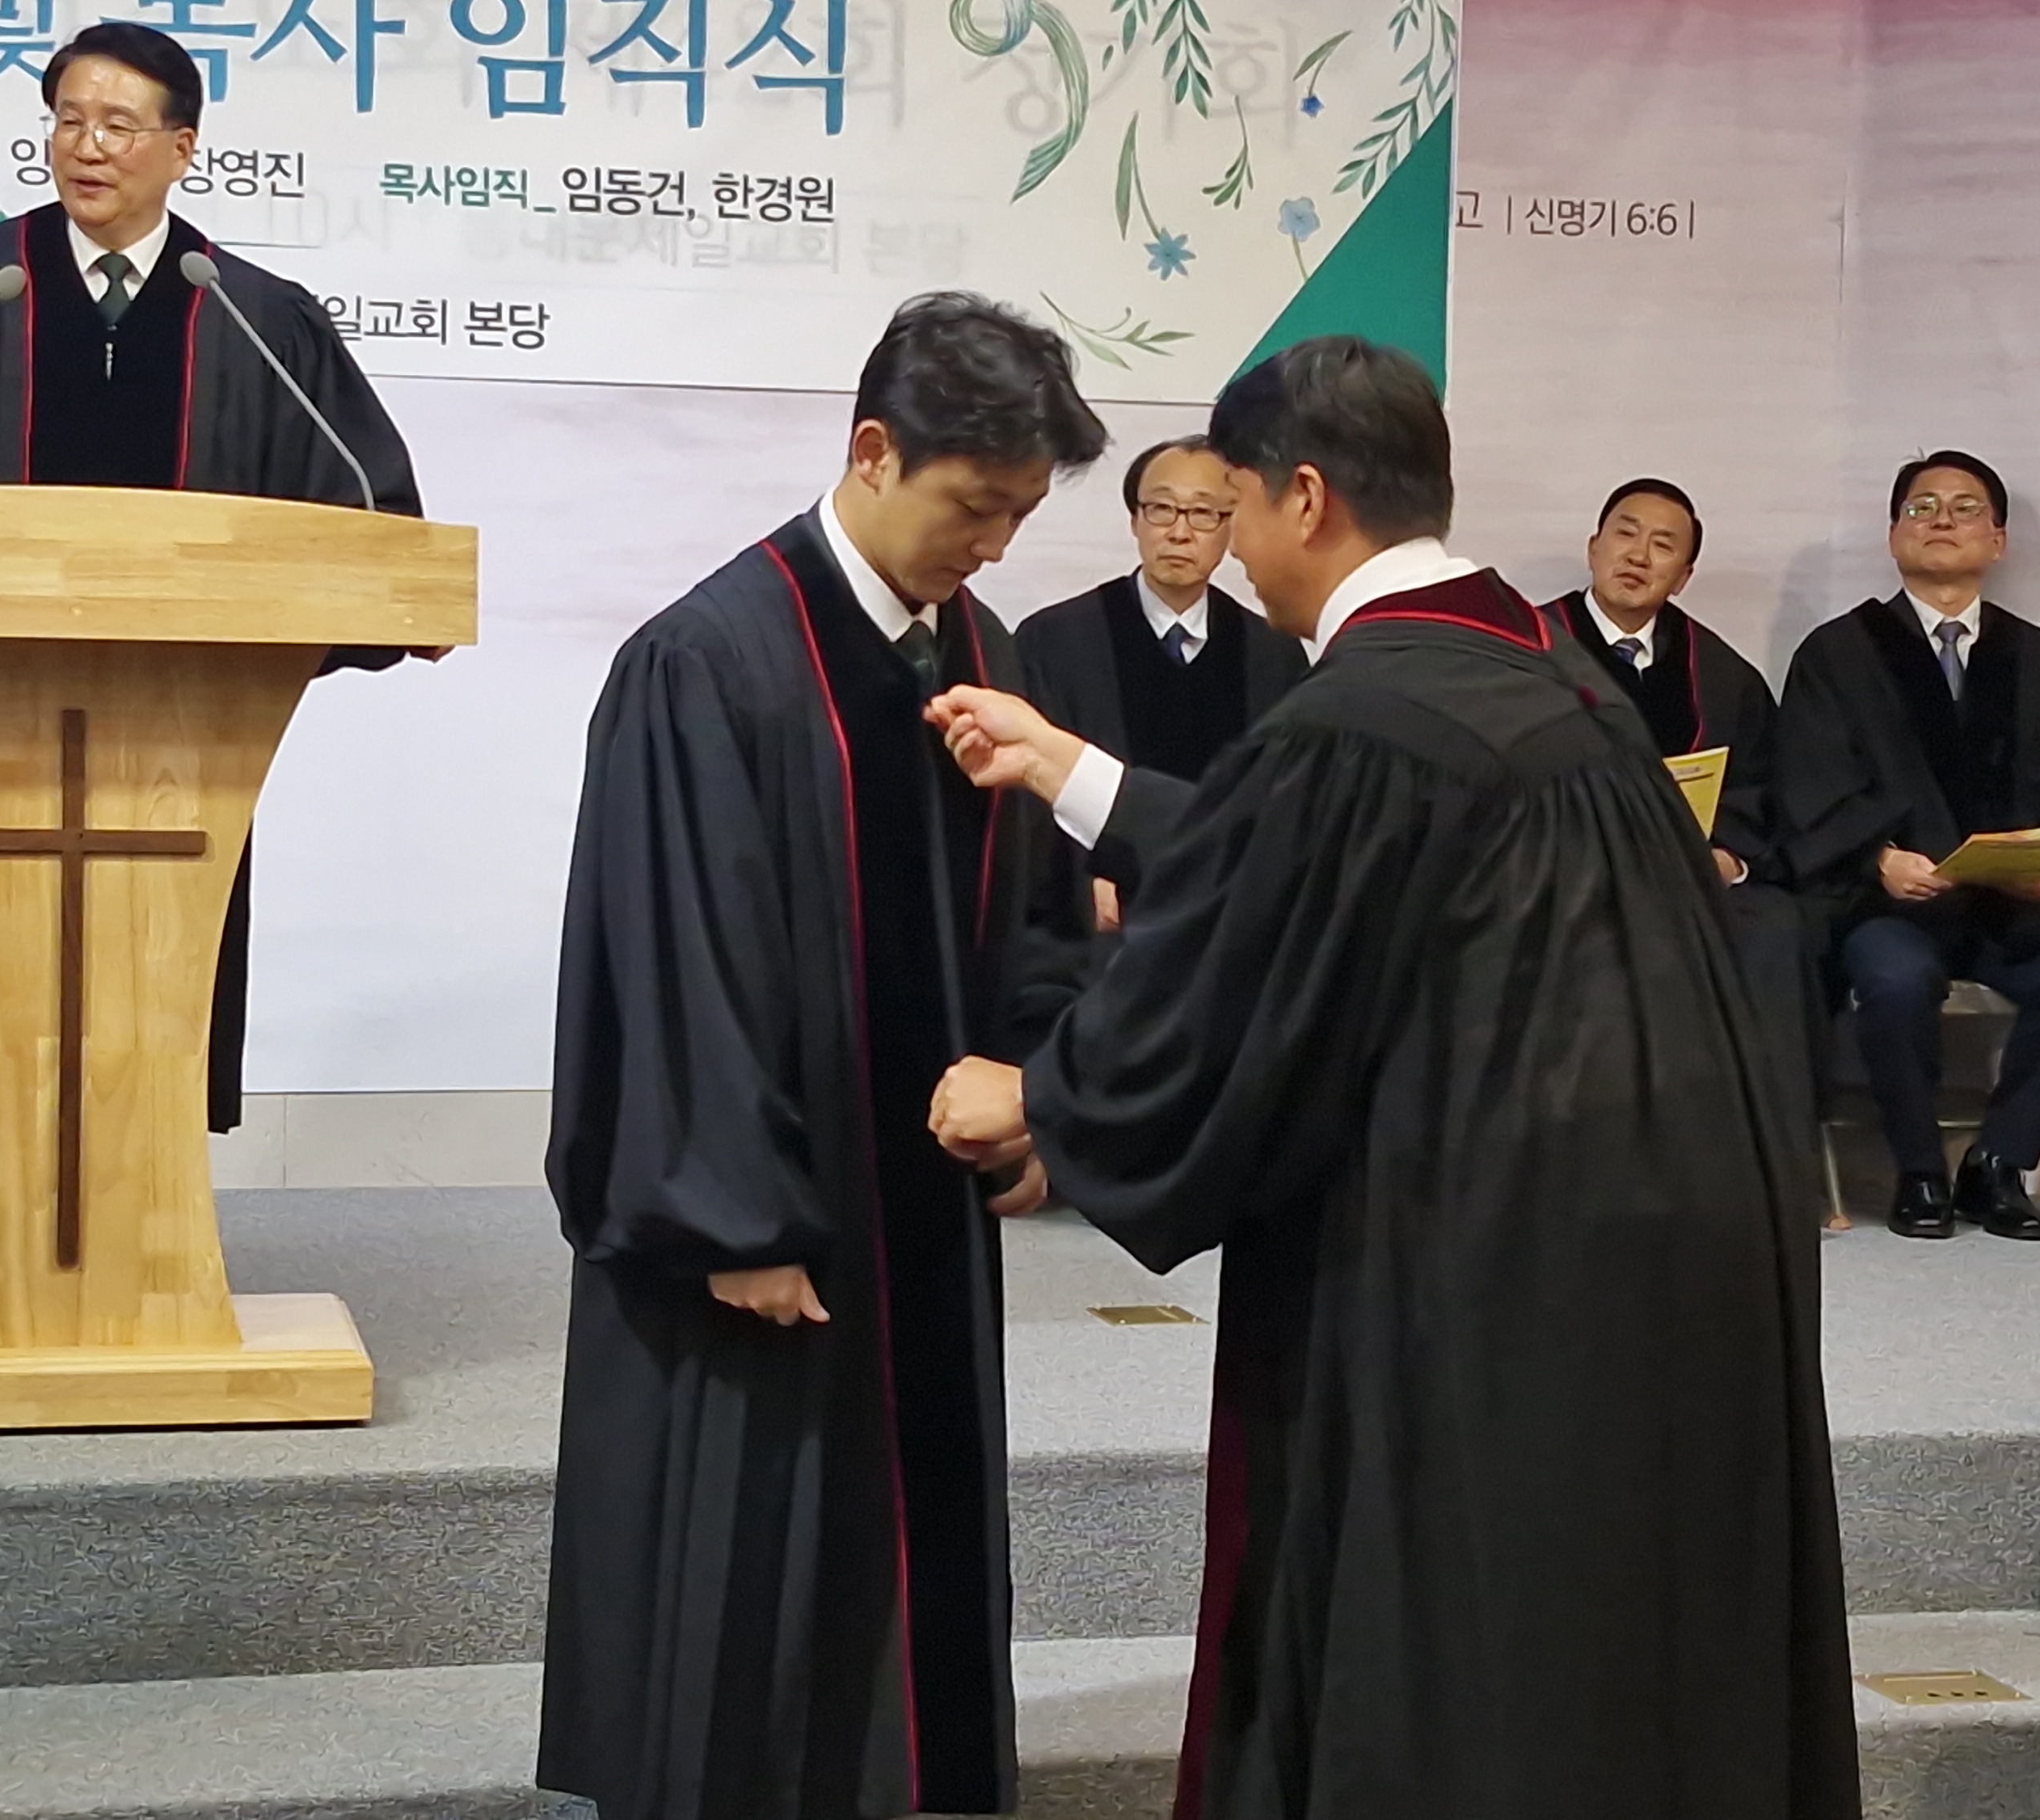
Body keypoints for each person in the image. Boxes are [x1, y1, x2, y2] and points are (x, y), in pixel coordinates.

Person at [921, 339, 1857, 1820]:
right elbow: (1305, 865)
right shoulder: (1543, 678)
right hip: (1668, 1240)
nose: (1234, 546)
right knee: (1630, 1634)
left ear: (1303, 497)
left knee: (1467, 1645)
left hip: (1492, 1262)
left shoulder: (1367, 713)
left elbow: (1262, 941)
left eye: (1236, 504)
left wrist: (1048, 1096)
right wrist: (1065, 769)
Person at [536, 293, 1106, 1819]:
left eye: (1020, 513)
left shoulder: (974, 654)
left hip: (920, 1211)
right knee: (751, 1561)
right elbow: (672, 957)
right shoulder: (712, 660)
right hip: (761, 1233)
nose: (994, 545)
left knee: (907, 1556)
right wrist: (734, 1218)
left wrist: (1037, 1097)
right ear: (872, 451)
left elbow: (1037, 911)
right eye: (973, 505)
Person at [0, 21, 423, 1133]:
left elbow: (364, 511)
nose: (87, 146)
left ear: (182, 148)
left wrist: (392, 599)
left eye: (117, 124)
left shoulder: (252, 317)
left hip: (186, 743)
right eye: (68, 121)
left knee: (155, 1012)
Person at [1772, 450, 2040, 1242]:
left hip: (2014, 910)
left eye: (1965, 507)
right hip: (1892, 905)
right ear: (1892, 534)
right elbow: (1807, 782)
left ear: (1998, 541)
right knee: (1893, 978)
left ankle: (1997, 1165)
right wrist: (1877, 858)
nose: (1942, 519)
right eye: (1922, 506)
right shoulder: (1837, 655)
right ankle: (1919, 1171)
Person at [1547, 477, 1823, 1167]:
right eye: (1625, 533)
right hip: (1560, 882)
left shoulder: (1723, 675)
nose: (1638, 555)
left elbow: (1760, 791)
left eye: (1663, 545)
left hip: (1689, 885)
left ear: (1684, 576)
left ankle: (1769, 1168)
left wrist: (1727, 857)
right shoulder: (1524, 650)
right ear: (1594, 546)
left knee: (1776, 928)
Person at [1014, 435, 1305, 942]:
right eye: (1162, 509)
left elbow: (1283, 800)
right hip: (1096, 931)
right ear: (1135, 520)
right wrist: (1084, 876)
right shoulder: (1054, 641)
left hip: (1226, 923)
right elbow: (1027, 787)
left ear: (1231, 526)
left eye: (1204, 514)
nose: (1180, 532)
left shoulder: (1273, 653)